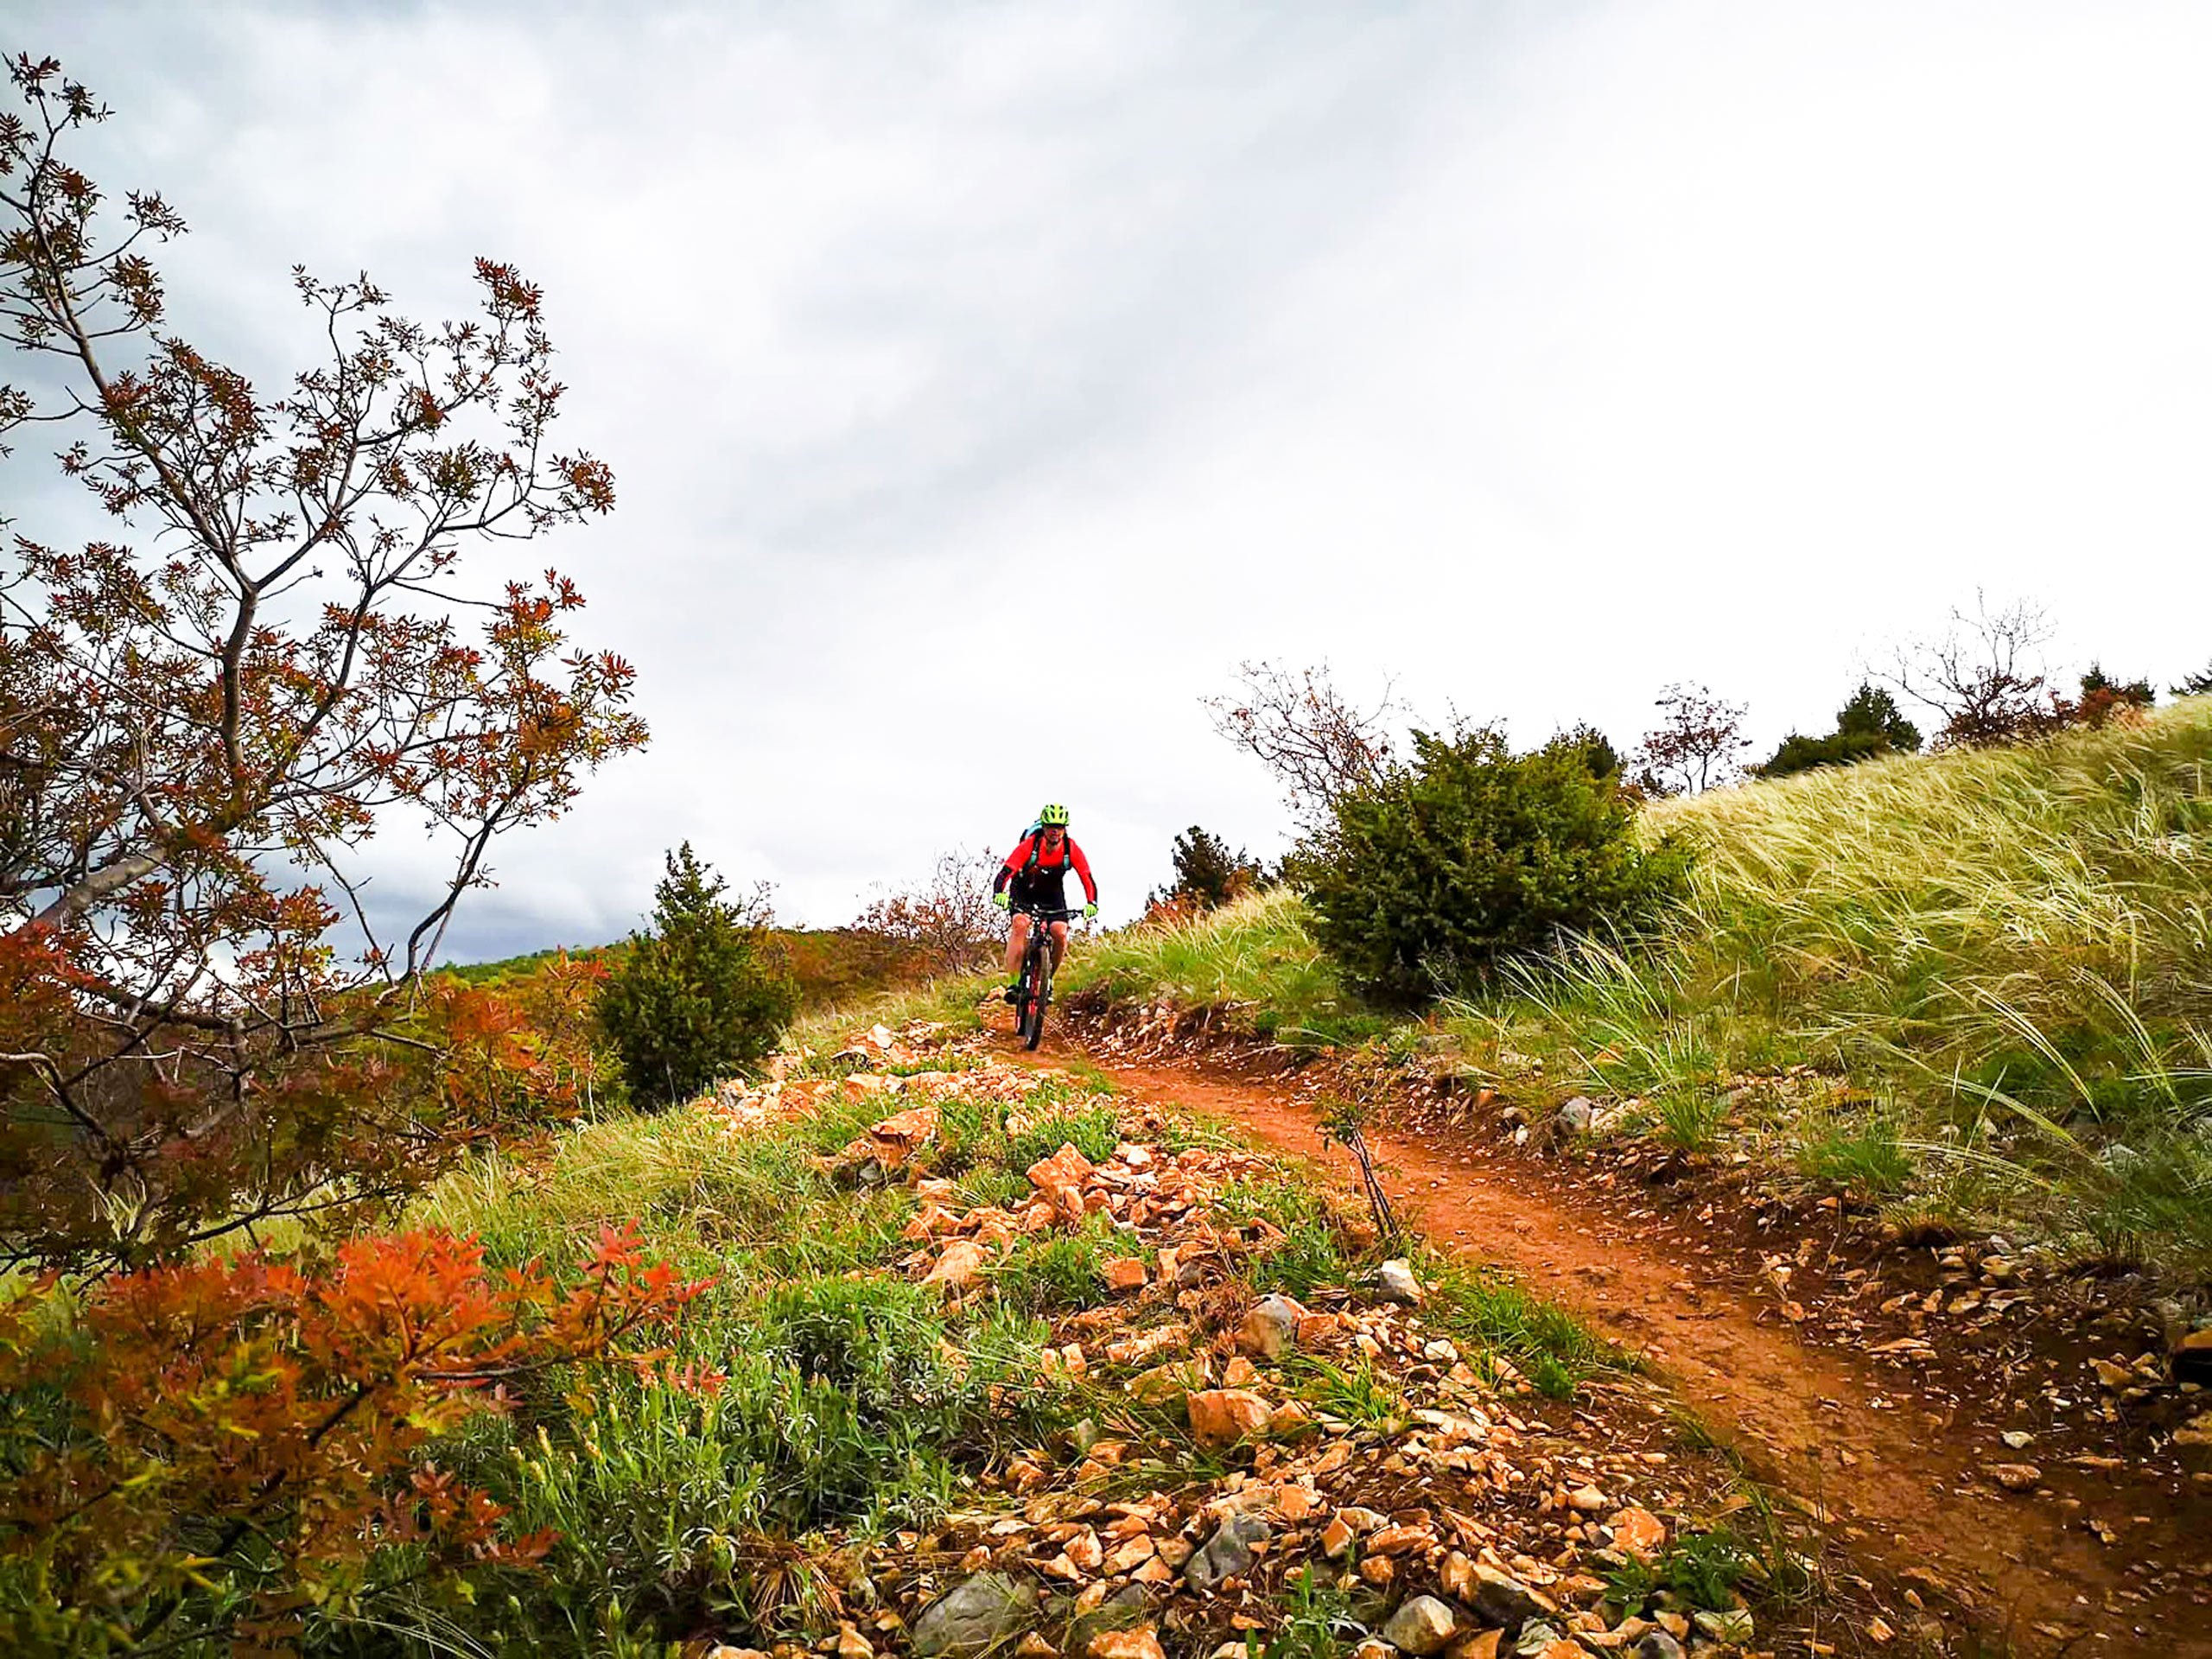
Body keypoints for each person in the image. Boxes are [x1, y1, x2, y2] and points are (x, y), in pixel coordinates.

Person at [992, 803, 1098, 1002]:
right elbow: (1006, 872)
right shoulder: (1030, 846)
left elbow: (1087, 877)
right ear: (1044, 828)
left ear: (1065, 829)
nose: (1055, 831)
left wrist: (1092, 902)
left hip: (1052, 893)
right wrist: (999, 893)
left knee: (1059, 932)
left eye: (1059, 827)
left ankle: (1048, 978)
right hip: (1024, 889)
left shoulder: (1071, 849)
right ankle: (1014, 983)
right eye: (1051, 827)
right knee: (1020, 924)